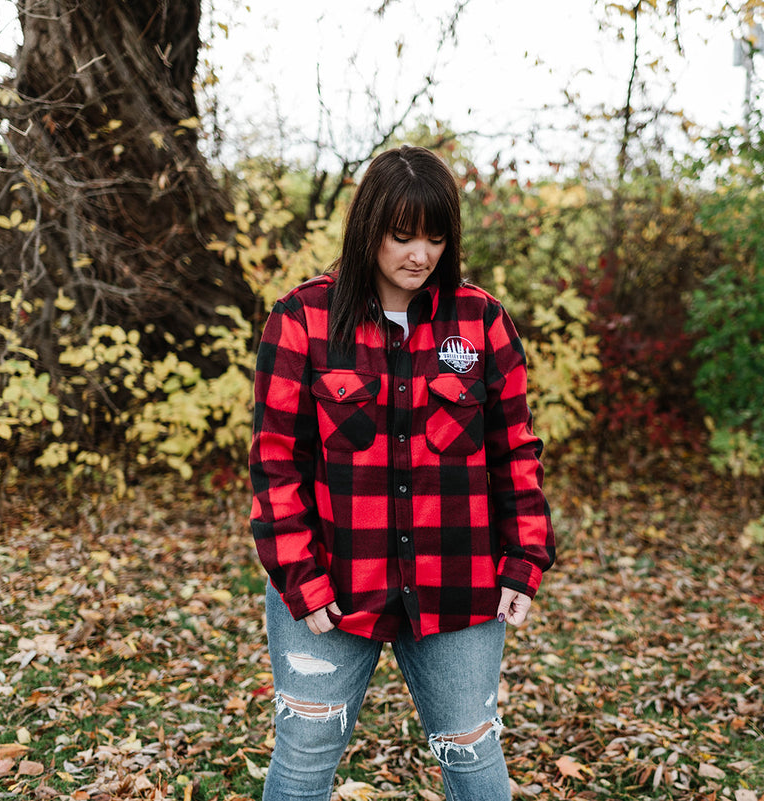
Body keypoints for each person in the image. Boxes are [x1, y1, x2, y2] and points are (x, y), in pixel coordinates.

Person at [249, 144, 556, 801]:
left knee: (473, 752)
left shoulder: (482, 322)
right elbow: (276, 460)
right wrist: (301, 574)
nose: (420, 254)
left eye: (435, 238)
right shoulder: (301, 320)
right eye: (403, 235)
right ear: (369, 228)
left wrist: (525, 555)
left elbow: (514, 449)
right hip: (330, 583)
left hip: (458, 583)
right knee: (304, 756)